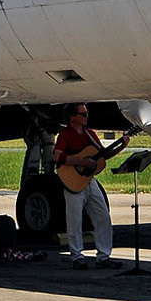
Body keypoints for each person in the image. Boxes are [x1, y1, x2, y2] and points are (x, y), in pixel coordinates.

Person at [53, 105, 123, 269]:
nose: (86, 116)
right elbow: (58, 156)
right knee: (75, 221)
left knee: (103, 217)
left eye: (87, 113)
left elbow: (102, 155)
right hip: (73, 182)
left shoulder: (90, 134)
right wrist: (82, 162)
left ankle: (104, 256)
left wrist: (122, 145)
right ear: (72, 117)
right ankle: (77, 257)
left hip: (90, 181)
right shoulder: (66, 134)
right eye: (83, 114)